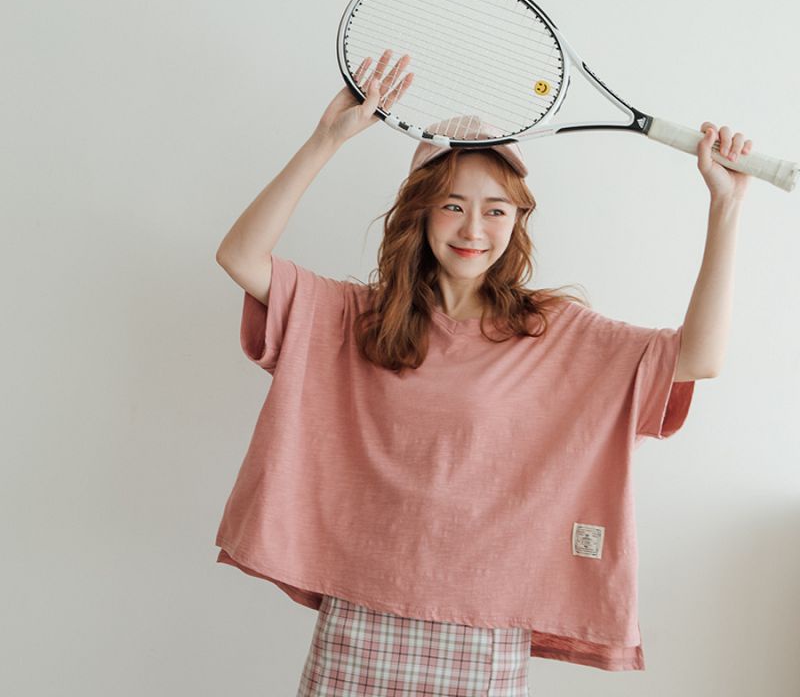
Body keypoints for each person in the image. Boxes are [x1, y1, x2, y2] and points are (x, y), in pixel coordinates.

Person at [213, 49, 754, 695]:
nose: (474, 228)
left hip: (483, 626)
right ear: (419, 211)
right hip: (362, 611)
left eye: (497, 209)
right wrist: (325, 140)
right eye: (453, 205)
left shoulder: (551, 331)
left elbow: (700, 357)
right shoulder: (355, 317)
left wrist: (726, 207)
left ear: (518, 220)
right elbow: (240, 256)